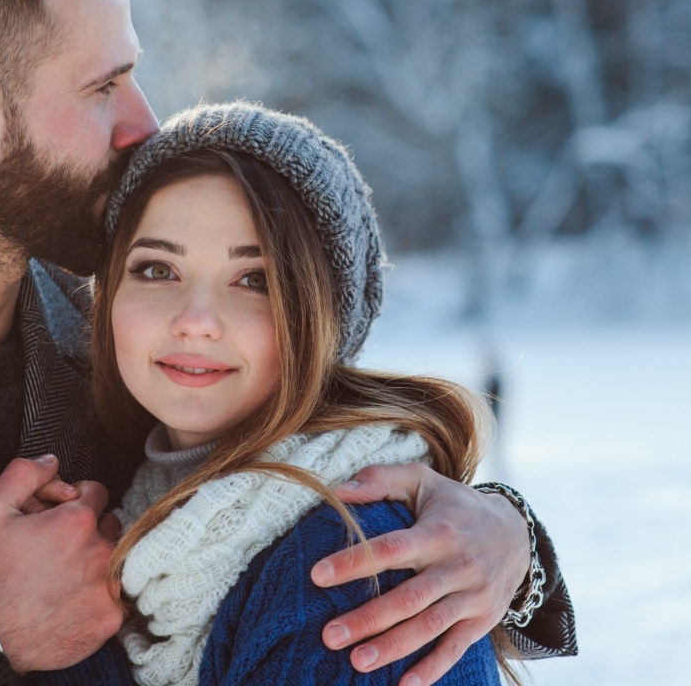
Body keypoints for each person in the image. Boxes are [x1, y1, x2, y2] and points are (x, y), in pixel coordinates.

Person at [0, 0, 575, 684]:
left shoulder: (138, 340)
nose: (145, 122)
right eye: (103, 85)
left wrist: (502, 536)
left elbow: (313, 453)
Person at [36, 102, 523, 685]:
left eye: (254, 280)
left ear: (321, 319)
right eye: (157, 269)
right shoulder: (127, 506)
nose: (195, 321)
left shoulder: (352, 565)